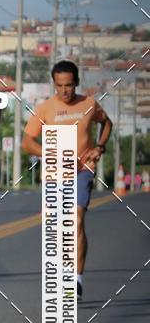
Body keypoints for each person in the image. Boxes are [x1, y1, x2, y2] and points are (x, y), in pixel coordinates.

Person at [22, 60, 112, 302]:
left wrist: (99, 147)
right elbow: (27, 142)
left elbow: (106, 123)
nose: (65, 91)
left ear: (76, 83)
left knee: (76, 220)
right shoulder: (45, 109)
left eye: (69, 85)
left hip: (82, 171)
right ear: (54, 84)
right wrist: (52, 152)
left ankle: (76, 279)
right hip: (53, 173)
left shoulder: (89, 104)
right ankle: (63, 271)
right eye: (60, 85)